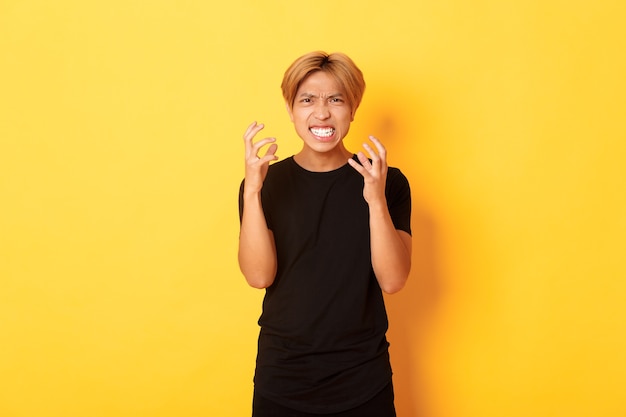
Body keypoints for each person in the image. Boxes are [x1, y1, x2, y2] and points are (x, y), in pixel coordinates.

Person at [238, 51, 412, 417]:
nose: (321, 113)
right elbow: (259, 275)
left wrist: (375, 201)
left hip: (363, 378)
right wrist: (253, 191)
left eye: (336, 100)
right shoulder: (265, 184)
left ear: (352, 109)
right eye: (307, 100)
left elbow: (393, 280)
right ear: (290, 110)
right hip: (282, 377)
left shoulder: (388, 183)